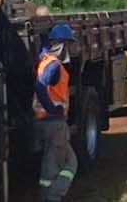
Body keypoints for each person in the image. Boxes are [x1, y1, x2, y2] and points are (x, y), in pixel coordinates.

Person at [32, 24, 77, 202]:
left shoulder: (45, 60)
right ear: (63, 44)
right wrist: (53, 108)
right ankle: (52, 197)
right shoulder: (55, 66)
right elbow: (40, 87)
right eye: (69, 43)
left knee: (65, 163)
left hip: (43, 120)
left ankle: (50, 195)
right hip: (54, 123)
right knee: (59, 166)